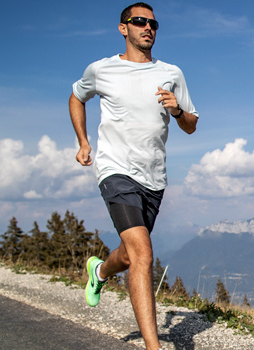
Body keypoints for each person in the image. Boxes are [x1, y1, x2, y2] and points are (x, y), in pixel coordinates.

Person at [68, 3, 198, 350]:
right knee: (143, 254)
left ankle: (98, 272)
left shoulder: (172, 73)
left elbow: (191, 126)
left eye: (153, 23)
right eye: (139, 22)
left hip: (154, 179)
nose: (148, 27)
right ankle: (153, 347)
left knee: (128, 255)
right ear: (123, 28)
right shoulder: (102, 69)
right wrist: (83, 142)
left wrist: (178, 110)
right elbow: (76, 97)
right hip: (115, 171)